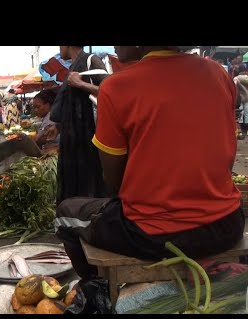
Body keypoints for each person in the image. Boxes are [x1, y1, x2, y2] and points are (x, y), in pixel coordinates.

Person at [55, 46, 245, 280]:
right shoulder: (218, 73)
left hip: (155, 234)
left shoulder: (117, 87)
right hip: (227, 224)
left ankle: (97, 288)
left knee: (65, 214)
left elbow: (114, 182)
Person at [49, 46, 110, 205]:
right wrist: (58, 126)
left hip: (89, 144)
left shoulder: (91, 61)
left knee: (91, 189)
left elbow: (111, 95)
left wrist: (80, 84)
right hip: (73, 146)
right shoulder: (72, 67)